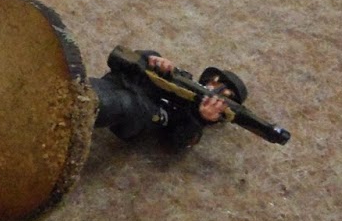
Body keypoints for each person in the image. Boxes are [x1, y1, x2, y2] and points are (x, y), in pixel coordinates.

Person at [91, 49, 249, 151]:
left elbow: (174, 143)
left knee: (123, 103)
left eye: (225, 96)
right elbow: (118, 60)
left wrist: (198, 118)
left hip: (137, 113)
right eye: (216, 83)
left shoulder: (193, 123)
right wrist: (153, 60)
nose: (215, 91)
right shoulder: (180, 77)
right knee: (87, 88)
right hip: (114, 84)